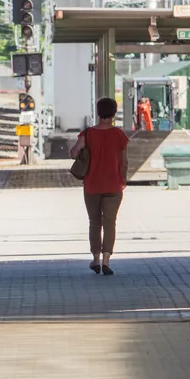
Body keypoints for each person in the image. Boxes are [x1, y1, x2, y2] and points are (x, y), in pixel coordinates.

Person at [70, 97, 129, 275]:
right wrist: (123, 180)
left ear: (98, 112)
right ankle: (106, 261)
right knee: (110, 222)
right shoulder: (119, 134)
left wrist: (81, 149)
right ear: (114, 113)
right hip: (114, 185)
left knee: (94, 222)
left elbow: (73, 153)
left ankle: (95, 259)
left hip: (92, 185)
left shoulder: (87, 134)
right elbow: (124, 162)